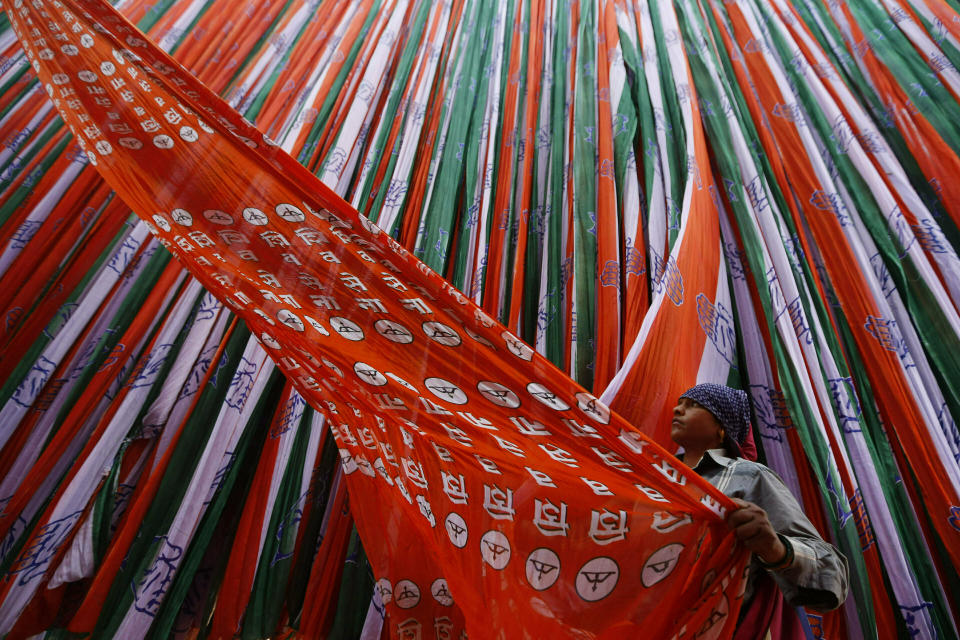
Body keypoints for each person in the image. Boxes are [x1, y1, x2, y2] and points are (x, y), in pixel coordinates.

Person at [671, 383, 848, 638]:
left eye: (693, 405)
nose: (677, 409)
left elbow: (832, 568)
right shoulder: (652, 477)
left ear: (722, 428)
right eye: (680, 403)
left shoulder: (749, 475)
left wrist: (775, 548)